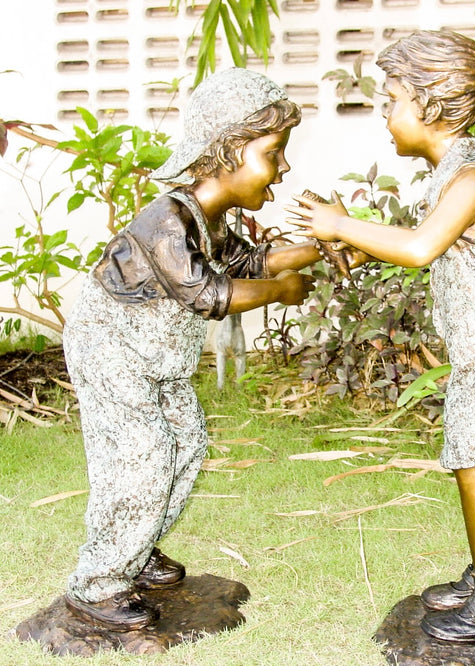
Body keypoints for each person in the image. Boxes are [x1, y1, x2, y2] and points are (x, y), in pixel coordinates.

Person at [287, 31, 475, 643]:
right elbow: (425, 245)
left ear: (431, 104)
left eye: (391, 99)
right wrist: (349, 247)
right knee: (473, 459)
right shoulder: (449, 176)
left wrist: (341, 222)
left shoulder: (472, 180)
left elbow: (418, 248)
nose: (385, 113)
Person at [62, 68, 324, 632]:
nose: (282, 168)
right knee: (141, 460)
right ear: (228, 152)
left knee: (186, 443)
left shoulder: (209, 220)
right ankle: (98, 583)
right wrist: (281, 291)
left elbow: (248, 264)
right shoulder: (167, 219)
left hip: (156, 361)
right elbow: (209, 293)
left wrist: (319, 248)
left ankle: (136, 545)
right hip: (113, 355)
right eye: (274, 152)